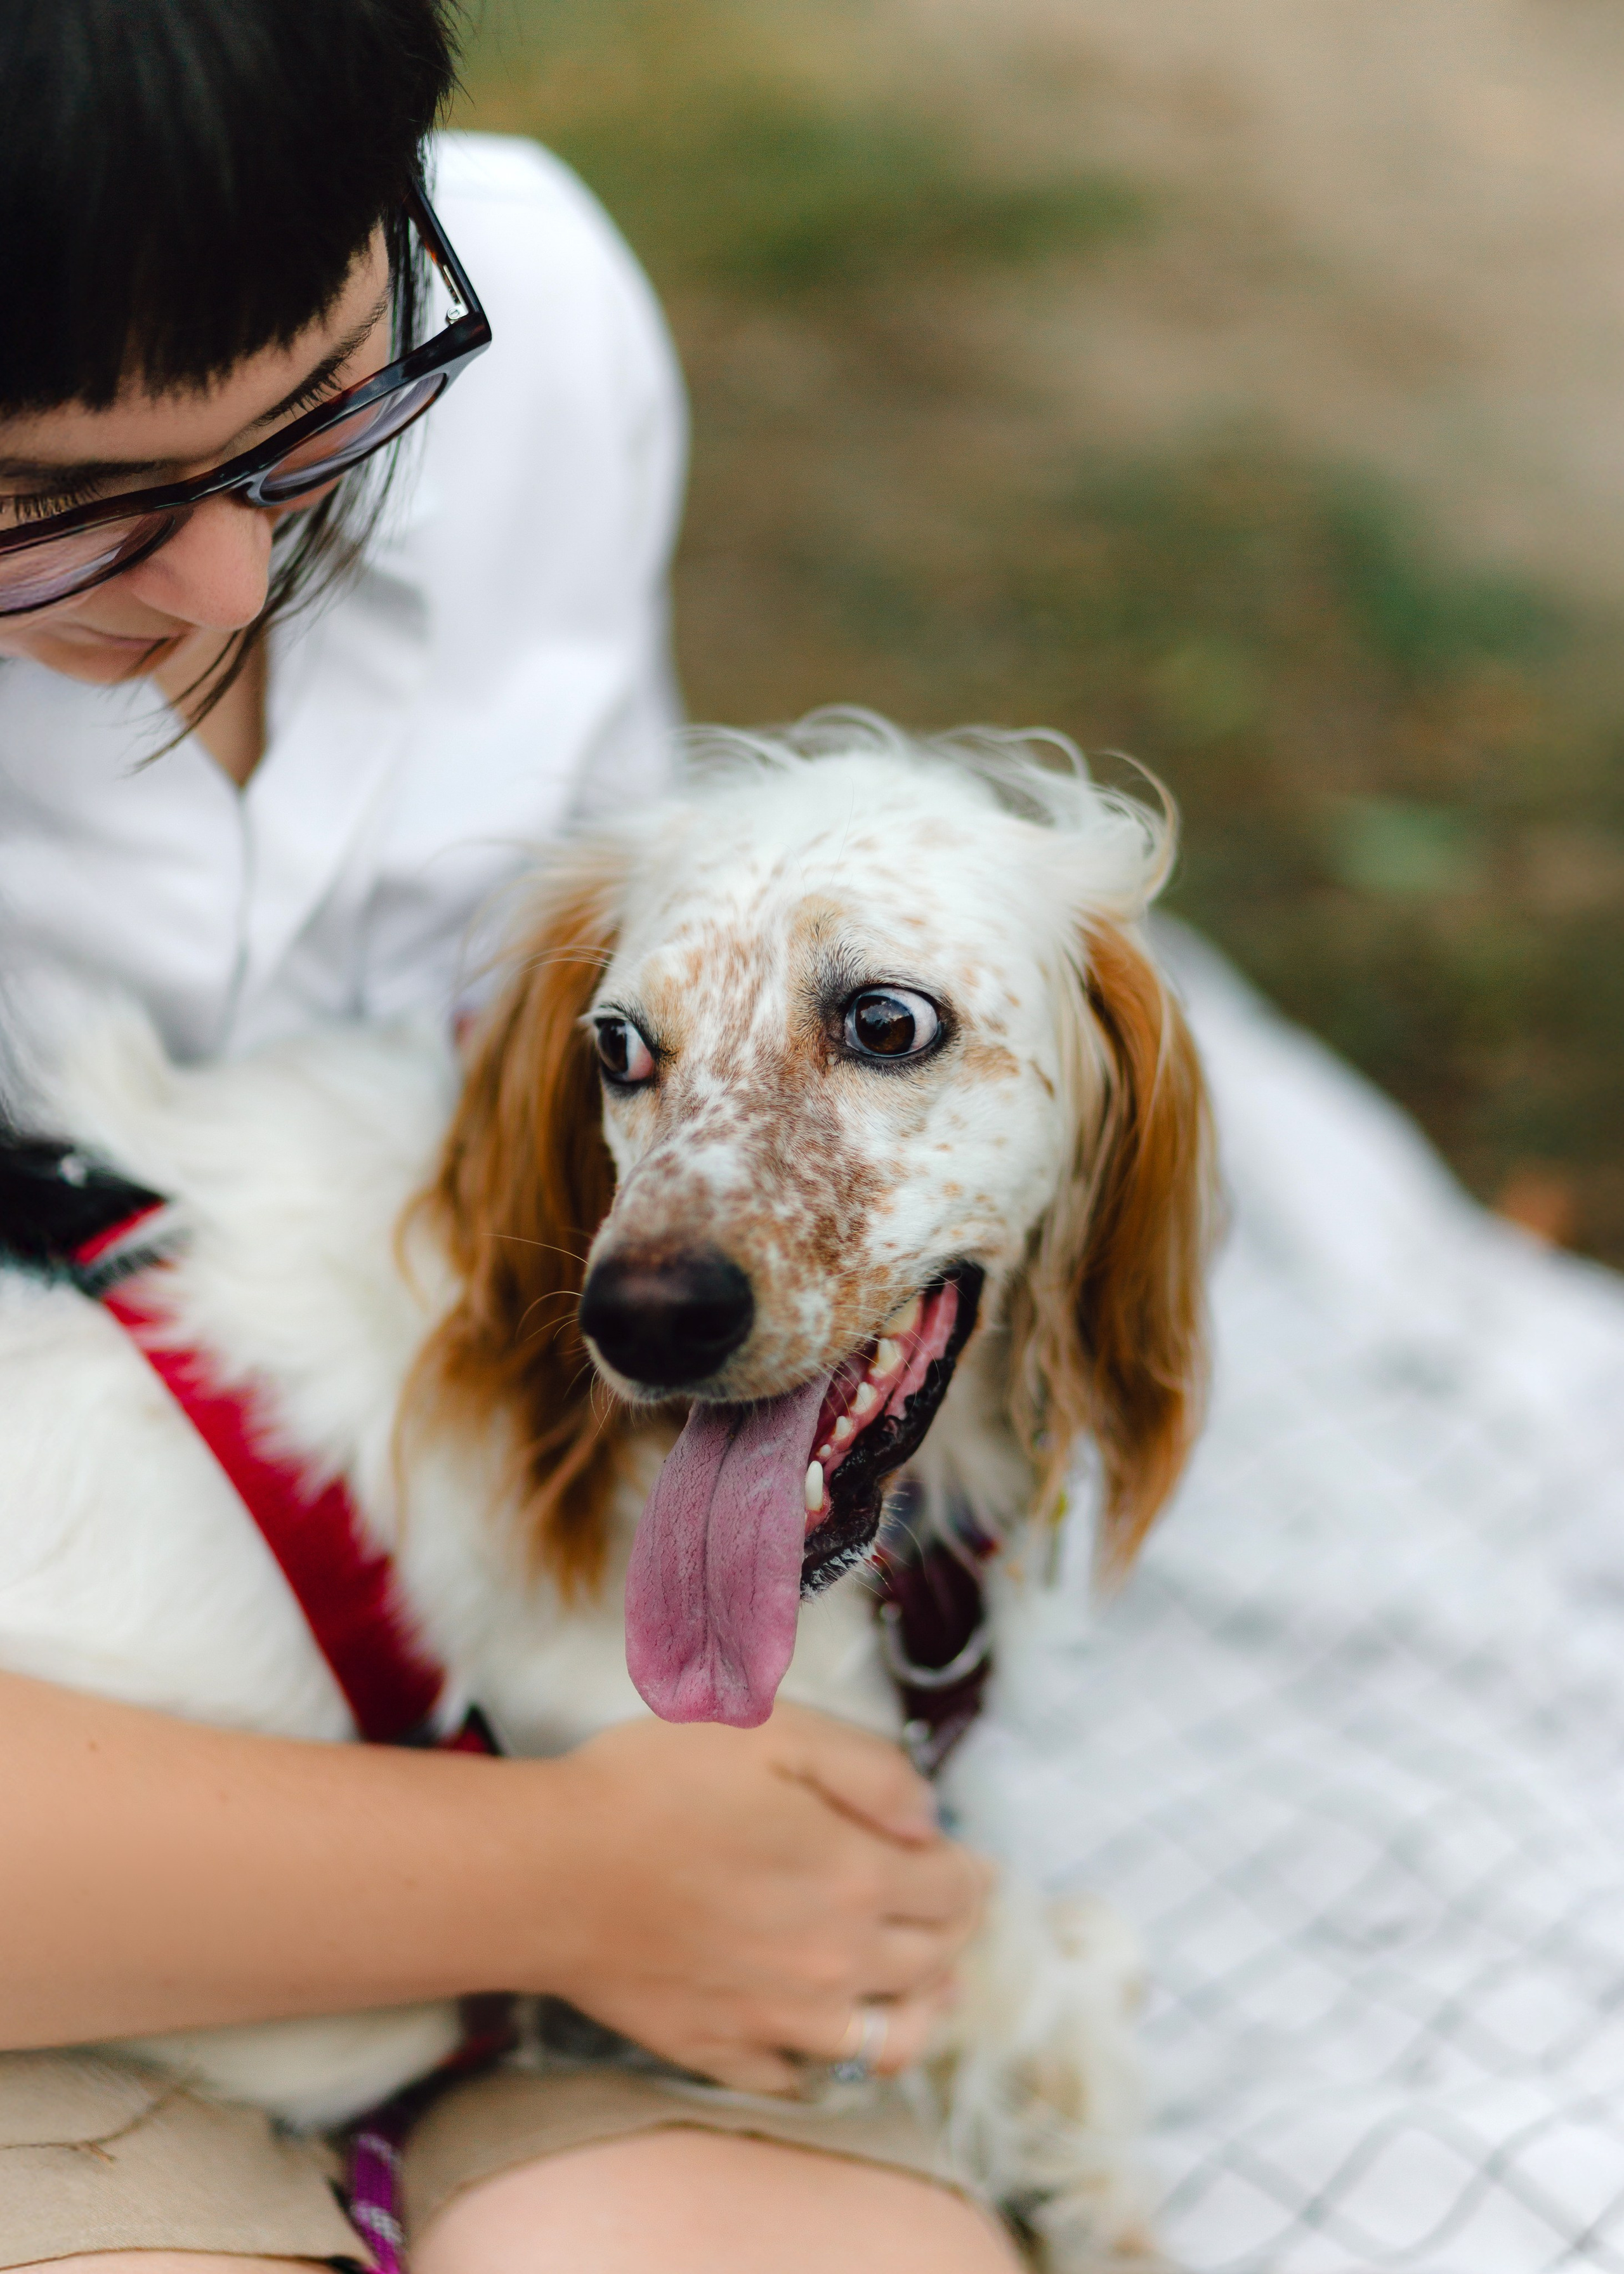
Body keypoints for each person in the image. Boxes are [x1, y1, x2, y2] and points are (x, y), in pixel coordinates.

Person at [0, 5, 1010, 2270]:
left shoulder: (533, 315)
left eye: (322, 416)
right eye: (51, 509)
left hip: (560, 1697)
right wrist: (576, 1883)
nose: (236, 583)